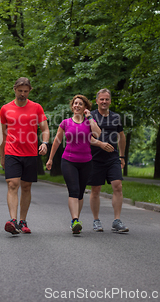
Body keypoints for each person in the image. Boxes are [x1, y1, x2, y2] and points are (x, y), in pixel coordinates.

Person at [0, 77, 49, 234]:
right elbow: (2, 134)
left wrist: (44, 143)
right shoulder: (5, 109)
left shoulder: (36, 108)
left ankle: (23, 221)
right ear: (14, 89)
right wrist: (2, 156)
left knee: (26, 187)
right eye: (20, 91)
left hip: (30, 153)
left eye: (25, 91)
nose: (22, 94)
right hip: (11, 152)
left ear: (30, 91)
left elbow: (45, 129)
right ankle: (13, 220)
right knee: (13, 184)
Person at [46, 95, 101, 234]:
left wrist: (90, 117)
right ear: (72, 107)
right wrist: (51, 158)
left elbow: (97, 134)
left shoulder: (89, 122)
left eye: (80, 104)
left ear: (85, 108)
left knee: (81, 193)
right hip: (69, 161)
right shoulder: (65, 123)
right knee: (74, 190)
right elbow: (57, 141)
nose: (77, 106)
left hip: (86, 162)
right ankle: (75, 220)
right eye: (75, 103)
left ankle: (76, 221)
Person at [89, 88, 129, 233]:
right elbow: (86, 136)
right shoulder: (90, 116)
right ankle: (96, 220)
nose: (104, 102)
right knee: (95, 190)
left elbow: (122, 137)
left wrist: (122, 156)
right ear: (97, 101)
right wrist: (99, 144)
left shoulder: (116, 117)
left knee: (118, 186)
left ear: (110, 101)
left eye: (107, 99)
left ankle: (116, 221)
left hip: (113, 157)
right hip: (95, 158)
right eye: (102, 99)